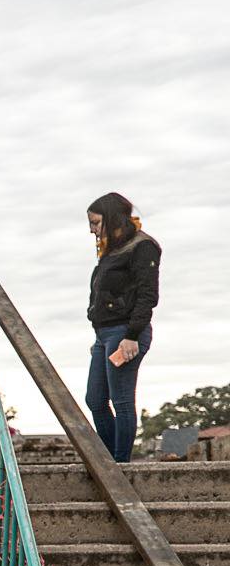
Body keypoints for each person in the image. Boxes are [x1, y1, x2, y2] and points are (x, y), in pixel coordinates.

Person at [84, 192, 161, 463]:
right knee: (95, 399)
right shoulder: (111, 249)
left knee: (122, 400)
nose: (92, 229)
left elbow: (147, 295)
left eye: (95, 222)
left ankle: (120, 464)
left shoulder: (143, 246)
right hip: (103, 334)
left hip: (126, 332)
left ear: (112, 217)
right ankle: (110, 462)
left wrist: (132, 336)